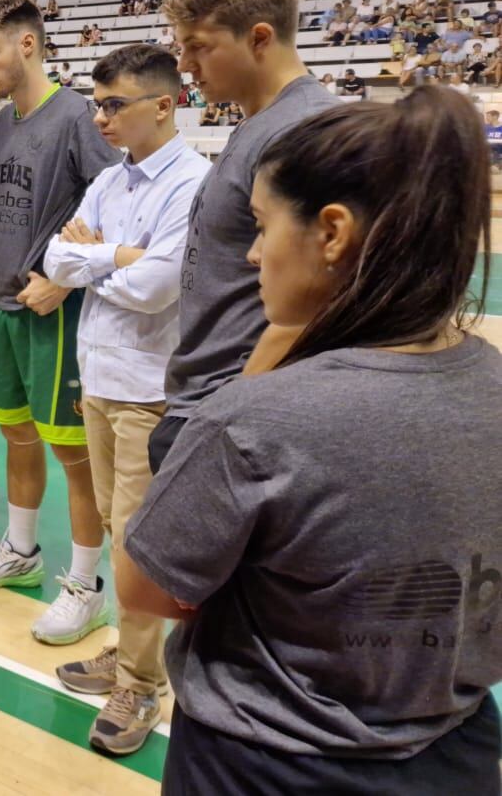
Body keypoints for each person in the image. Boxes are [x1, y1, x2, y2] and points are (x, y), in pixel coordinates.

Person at [118, 87, 502, 794]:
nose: (254, 254)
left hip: (263, 765)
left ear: (331, 232)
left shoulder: (256, 420)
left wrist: (260, 365)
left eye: (262, 227)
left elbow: (147, 584)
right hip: (458, 756)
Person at [41, 45, 211, 756]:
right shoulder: (111, 181)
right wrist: (114, 255)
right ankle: (130, 649)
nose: (101, 115)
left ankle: (142, 682)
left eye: (115, 104)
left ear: (164, 104)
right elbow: (54, 258)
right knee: (117, 523)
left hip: (149, 387)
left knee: (135, 540)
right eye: (98, 102)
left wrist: (95, 258)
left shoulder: (193, 181)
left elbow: (158, 287)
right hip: (102, 377)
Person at [0, 0, 119, 643]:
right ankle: (21, 552)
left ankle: (88, 586)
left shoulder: (78, 115)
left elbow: (116, 206)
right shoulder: (0, 121)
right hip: (3, 306)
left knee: (72, 452)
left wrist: (63, 276)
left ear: (27, 45)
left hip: (56, 310)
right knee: (17, 435)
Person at [149, 0, 335, 470]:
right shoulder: (260, 124)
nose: (183, 65)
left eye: (197, 47)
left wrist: (226, 418)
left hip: (233, 414)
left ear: (258, 38)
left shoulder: (302, 131)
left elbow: (313, 303)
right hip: (208, 402)